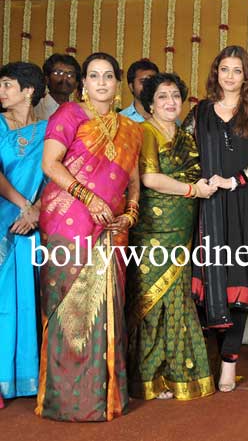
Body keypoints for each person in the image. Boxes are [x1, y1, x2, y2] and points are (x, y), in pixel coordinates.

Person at [36, 52, 142, 421]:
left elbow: (133, 184)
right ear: (83, 83)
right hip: (69, 225)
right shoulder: (69, 115)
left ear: (117, 84)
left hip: (110, 231)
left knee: (106, 313)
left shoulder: (130, 129)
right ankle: (65, 403)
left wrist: (129, 214)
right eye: (93, 76)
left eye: (108, 76)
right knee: (68, 311)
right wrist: (88, 197)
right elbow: (50, 164)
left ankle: (104, 398)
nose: (101, 82)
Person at [186, 45, 248, 392]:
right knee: (209, 282)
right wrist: (198, 183)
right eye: (224, 69)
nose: (230, 76)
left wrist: (235, 180)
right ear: (216, 73)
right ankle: (208, 357)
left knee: (240, 284)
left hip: (245, 204)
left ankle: (228, 364)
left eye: (237, 70)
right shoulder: (200, 113)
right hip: (208, 206)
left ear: (246, 76)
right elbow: (184, 151)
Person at [125, 73, 216, 400]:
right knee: (152, 299)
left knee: (177, 297)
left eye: (175, 96)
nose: (170, 102)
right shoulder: (144, 132)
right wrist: (193, 189)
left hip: (183, 225)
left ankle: (178, 373)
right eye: (162, 96)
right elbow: (149, 178)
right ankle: (149, 376)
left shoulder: (187, 137)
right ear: (150, 103)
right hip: (153, 227)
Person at [0, 62, 47, 402]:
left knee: (28, 298)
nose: (1, 92)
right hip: (6, 219)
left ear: (29, 90)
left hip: (34, 225)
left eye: (7, 85)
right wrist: (23, 207)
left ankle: (26, 377)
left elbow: (55, 174)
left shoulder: (48, 130)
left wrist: (38, 211)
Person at [34, 54, 81, 121]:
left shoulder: (79, 112)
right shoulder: (35, 109)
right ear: (47, 79)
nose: (65, 78)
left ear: (76, 83)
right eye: (58, 73)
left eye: (70, 75)